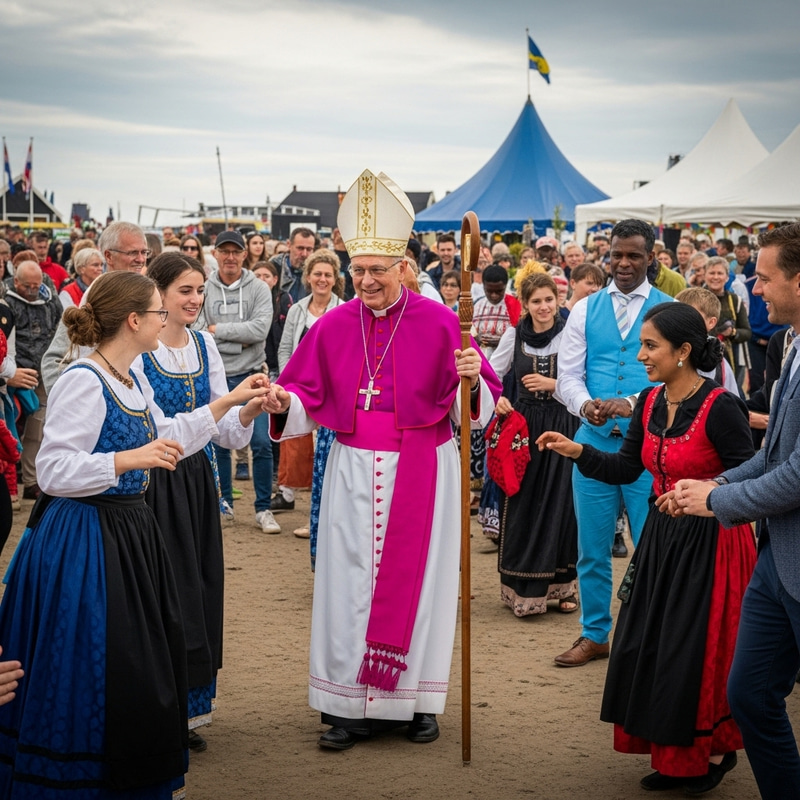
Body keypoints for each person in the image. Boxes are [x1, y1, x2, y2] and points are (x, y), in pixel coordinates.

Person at [263, 169, 501, 751]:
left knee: (426, 584)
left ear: (402, 268)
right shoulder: (332, 325)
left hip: (425, 467)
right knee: (345, 585)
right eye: (358, 269)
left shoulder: (445, 320)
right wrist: (279, 400)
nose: (365, 280)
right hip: (351, 470)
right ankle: (346, 707)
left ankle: (415, 700)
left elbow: (479, 411)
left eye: (377, 270)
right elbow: (305, 396)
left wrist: (472, 383)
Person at [0, 270, 261, 797]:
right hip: (85, 539)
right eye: (159, 311)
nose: (167, 317)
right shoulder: (83, 377)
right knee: (95, 661)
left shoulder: (130, 376)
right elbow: (52, 470)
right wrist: (125, 460)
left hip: (128, 535)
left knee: (139, 660)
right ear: (134, 320)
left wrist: (233, 403)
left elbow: (167, 432)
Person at [541, 302, 755, 793]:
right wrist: (577, 450)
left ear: (683, 351)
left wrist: (709, 495)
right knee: (655, 646)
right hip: (662, 542)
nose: (640, 355)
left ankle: (709, 753)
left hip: (713, 546)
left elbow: (751, 474)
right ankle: (673, 753)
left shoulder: (721, 406)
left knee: (694, 652)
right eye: (640, 343)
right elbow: (625, 469)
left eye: (650, 345)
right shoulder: (652, 401)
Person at [674, 222, 800, 799]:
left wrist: (718, 499)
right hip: (777, 559)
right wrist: (717, 481)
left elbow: (796, 476)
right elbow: (774, 452)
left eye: (767, 277)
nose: (757, 287)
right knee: (748, 694)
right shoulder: (788, 344)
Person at [139, 253, 267, 753]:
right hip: (152, 479)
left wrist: (251, 405)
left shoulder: (204, 343)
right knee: (160, 593)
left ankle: (189, 710)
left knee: (198, 590)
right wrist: (228, 402)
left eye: (199, 291)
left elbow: (227, 430)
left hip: (194, 481)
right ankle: (157, 707)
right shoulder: (141, 352)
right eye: (184, 292)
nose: (195, 300)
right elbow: (162, 431)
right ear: (159, 295)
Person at [553, 218, 672, 667]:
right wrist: (585, 406)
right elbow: (567, 376)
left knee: (653, 546)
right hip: (593, 444)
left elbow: (681, 380)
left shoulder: (669, 309)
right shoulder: (585, 309)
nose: (623, 263)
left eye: (633, 255)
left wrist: (628, 402)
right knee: (592, 547)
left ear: (650, 259)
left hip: (650, 449)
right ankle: (595, 633)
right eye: (616, 255)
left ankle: (652, 638)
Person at [490, 273, 578, 616]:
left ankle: (565, 586)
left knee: (562, 502)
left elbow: (582, 378)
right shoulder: (513, 336)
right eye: (537, 301)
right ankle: (523, 588)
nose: (544, 307)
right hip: (524, 427)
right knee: (523, 500)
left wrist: (552, 383)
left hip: (562, 424)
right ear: (525, 304)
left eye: (549, 299)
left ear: (558, 300)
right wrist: (497, 399)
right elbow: (489, 375)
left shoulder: (571, 334)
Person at [194, 230, 277, 533]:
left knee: (261, 444)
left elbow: (259, 330)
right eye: (224, 251)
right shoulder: (203, 287)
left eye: (236, 252)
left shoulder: (258, 288)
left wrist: (219, 333)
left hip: (251, 374)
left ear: (245, 255)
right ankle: (223, 502)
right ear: (214, 253)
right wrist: (235, 338)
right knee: (217, 442)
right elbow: (200, 329)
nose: (230, 257)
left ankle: (264, 508)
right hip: (217, 377)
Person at [274, 250, 345, 516]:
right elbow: (284, 349)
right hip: (300, 387)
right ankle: (288, 492)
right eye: (317, 274)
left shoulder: (343, 309)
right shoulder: (297, 310)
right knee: (295, 440)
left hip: (332, 388)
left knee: (325, 444)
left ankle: (326, 498)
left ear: (335, 278)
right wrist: (287, 381)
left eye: (328, 274)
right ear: (308, 277)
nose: (322, 279)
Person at [704, 256, 751, 391]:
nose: (716, 277)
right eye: (712, 273)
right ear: (705, 275)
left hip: (732, 358)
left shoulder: (736, 301)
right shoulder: (695, 299)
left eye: (720, 273)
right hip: (702, 359)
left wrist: (732, 333)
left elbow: (747, 332)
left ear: (727, 277)